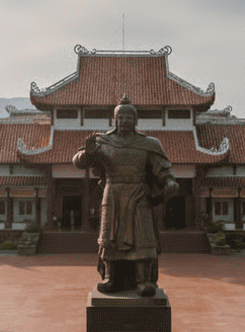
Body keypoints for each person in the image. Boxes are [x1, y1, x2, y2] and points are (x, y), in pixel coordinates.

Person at [73, 96, 179, 296]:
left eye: (128, 117)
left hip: (139, 193)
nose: (124, 121)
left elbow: (163, 169)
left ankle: (143, 280)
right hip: (112, 193)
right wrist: (87, 154)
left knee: (142, 237)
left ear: (135, 120)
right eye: (120, 117)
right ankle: (110, 278)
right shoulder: (104, 141)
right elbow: (78, 161)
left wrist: (169, 182)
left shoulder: (149, 144)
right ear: (115, 119)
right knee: (109, 236)